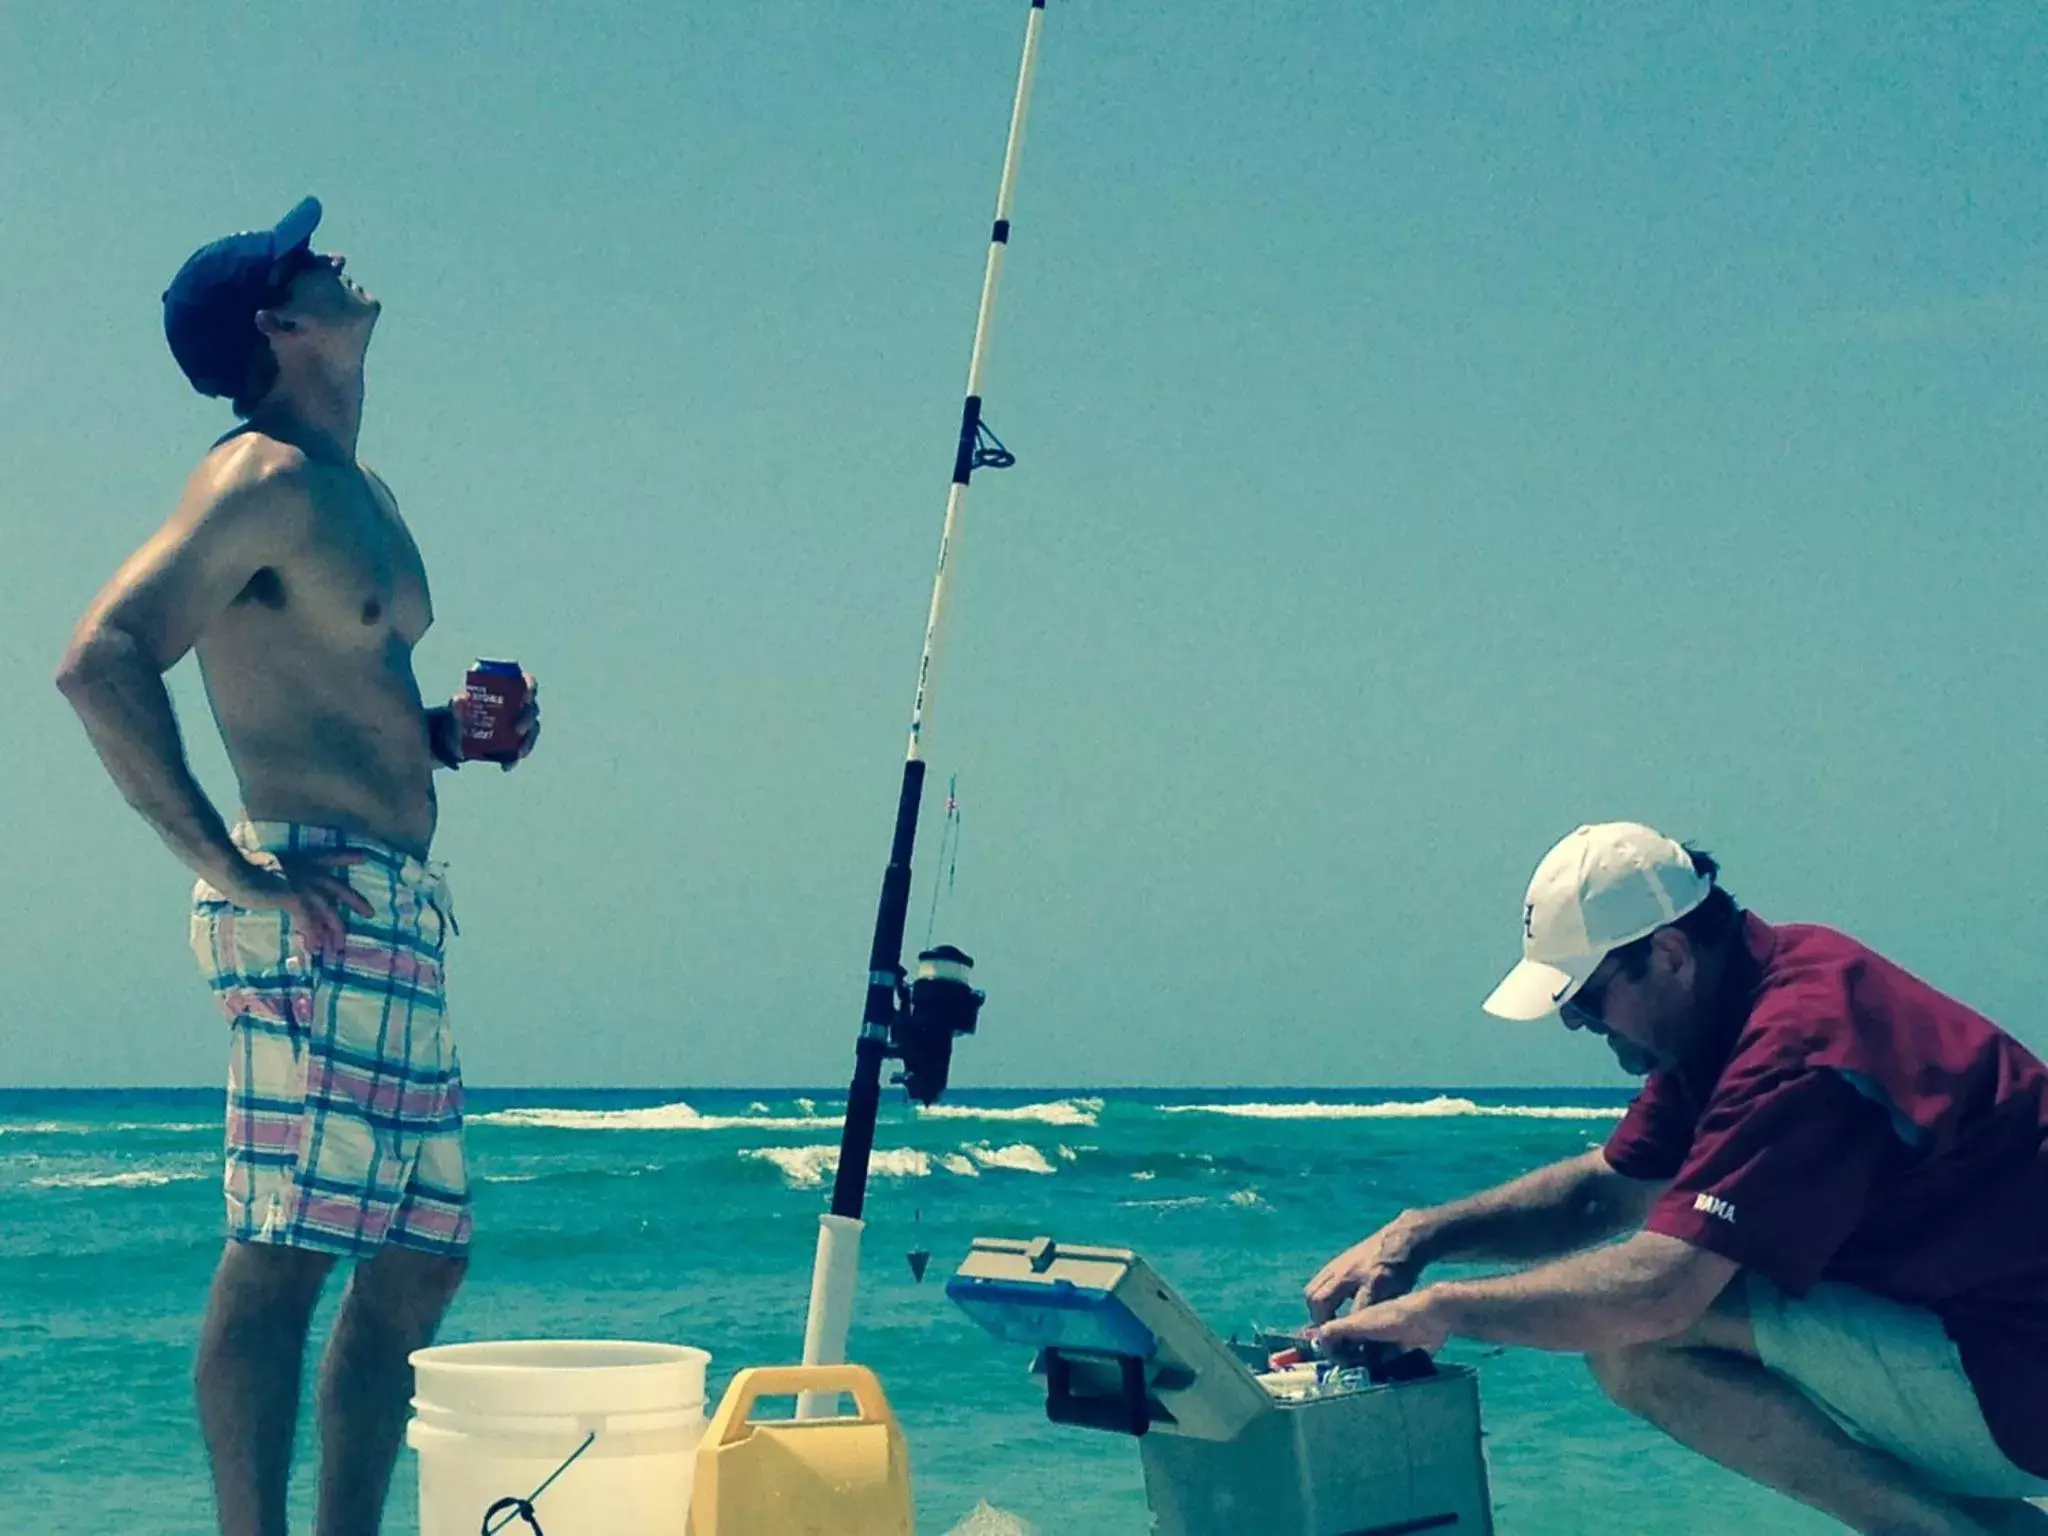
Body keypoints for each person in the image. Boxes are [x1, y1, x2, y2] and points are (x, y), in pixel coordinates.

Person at [54, 197, 539, 1536]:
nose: (341, 258)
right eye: (312, 260)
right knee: (283, 1250)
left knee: (422, 1257)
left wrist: (454, 736)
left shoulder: (355, 495)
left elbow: (335, 697)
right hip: (308, 894)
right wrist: (227, 865)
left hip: (391, 903)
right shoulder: (253, 478)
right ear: (278, 323)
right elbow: (98, 660)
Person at [1305, 823, 2048, 1536]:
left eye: (1584, 996)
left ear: (1668, 954)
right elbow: (1608, 1189)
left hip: (2018, 1367)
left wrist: (1445, 1311)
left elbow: (1664, 1289)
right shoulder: (1740, 1003)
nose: (1573, 1024)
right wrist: (1423, 1236)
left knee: (1634, 1341)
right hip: (1991, 1343)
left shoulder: (1799, 1047)